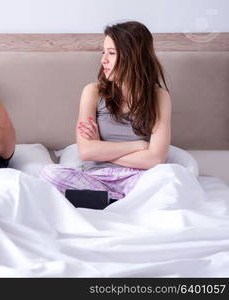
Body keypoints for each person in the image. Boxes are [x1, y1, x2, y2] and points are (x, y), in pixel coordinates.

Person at [40, 21, 171, 205]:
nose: (103, 60)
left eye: (111, 53)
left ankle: (105, 202)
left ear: (132, 56)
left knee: (171, 178)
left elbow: (156, 159)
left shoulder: (159, 97)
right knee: (49, 174)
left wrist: (101, 147)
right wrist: (139, 146)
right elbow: (86, 151)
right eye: (104, 52)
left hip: (136, 178)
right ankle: (123, 203)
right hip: (97, 178)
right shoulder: (92, 92)